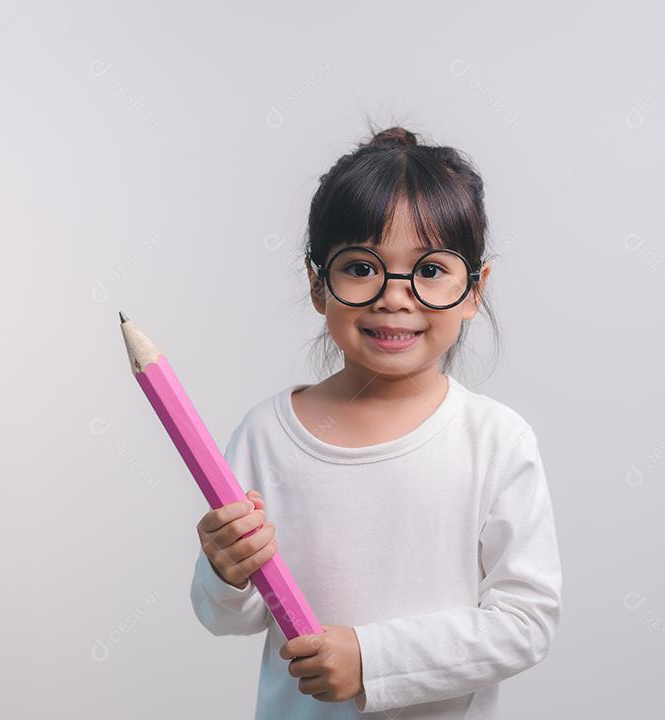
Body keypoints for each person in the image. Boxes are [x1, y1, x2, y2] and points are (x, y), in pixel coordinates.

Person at [191, 124, 562, 719]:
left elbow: (525, 623)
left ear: (475, 289)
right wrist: (224, 573)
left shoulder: (495, 440)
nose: (395, 297)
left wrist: (372, 660)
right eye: (361, 268)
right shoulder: (266, 435)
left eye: (432, 270)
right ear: (318, 283)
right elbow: (224, 616)